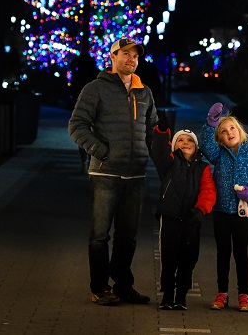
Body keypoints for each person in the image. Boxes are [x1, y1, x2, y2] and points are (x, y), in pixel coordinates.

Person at [68, 37, 158, 306]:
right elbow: (76, 126)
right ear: (113, 57)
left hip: (136, 174)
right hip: (106, 174)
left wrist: (167, 156)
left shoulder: (145, 92)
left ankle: (122, 285)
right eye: (126, 54)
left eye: (135, 56)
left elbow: (153, 130)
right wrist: (102, 152)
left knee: (127, 236)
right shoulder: (96, 89)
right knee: (99, 235)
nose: (131, 59)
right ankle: (99, 287)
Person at [199, 102, 248, 312]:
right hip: (221, 211)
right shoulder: (218, 154)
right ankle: (222, 293)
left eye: (232, 128)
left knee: (241, 253)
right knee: (223, 253)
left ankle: (244, 294)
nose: (229, 133)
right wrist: (210, 123)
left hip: (242, 213)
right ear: (219, 137)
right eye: (223, 131)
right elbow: (206, 145)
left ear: (239, 130)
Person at [149, 113, 216, 311]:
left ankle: (181, 295)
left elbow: (208, 190)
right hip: (170, 217)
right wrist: (162, 131)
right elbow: (159, 150)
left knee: (188, 258)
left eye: (189, 140)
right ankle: (167, 295)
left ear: (196, 147)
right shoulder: (169, 164)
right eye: (180, 140)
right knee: (169, 257)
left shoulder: (203, 168)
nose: (185, 143)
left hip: (192, 219)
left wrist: (201, 210)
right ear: (174, 145)